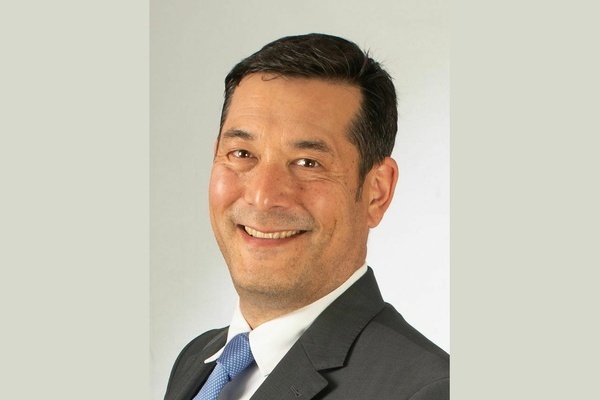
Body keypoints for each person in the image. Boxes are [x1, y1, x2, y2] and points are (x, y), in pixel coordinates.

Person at [164, 33, 449, 400]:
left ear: (376, 192)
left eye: (307, 162)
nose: (263, 197)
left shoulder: (428, 390)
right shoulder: (197, 360)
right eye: (242, 154)